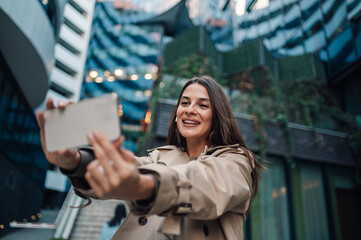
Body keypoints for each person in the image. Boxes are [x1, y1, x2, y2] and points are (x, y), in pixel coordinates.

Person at [37, 75, 264, 239]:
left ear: (217, 116)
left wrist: (146, 185)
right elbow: (127, 167)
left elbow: (204, 182)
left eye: (202, 105)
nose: (190, 109)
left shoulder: (236, 161)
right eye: (184, 103)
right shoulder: (159, 157)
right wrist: (74, 160)